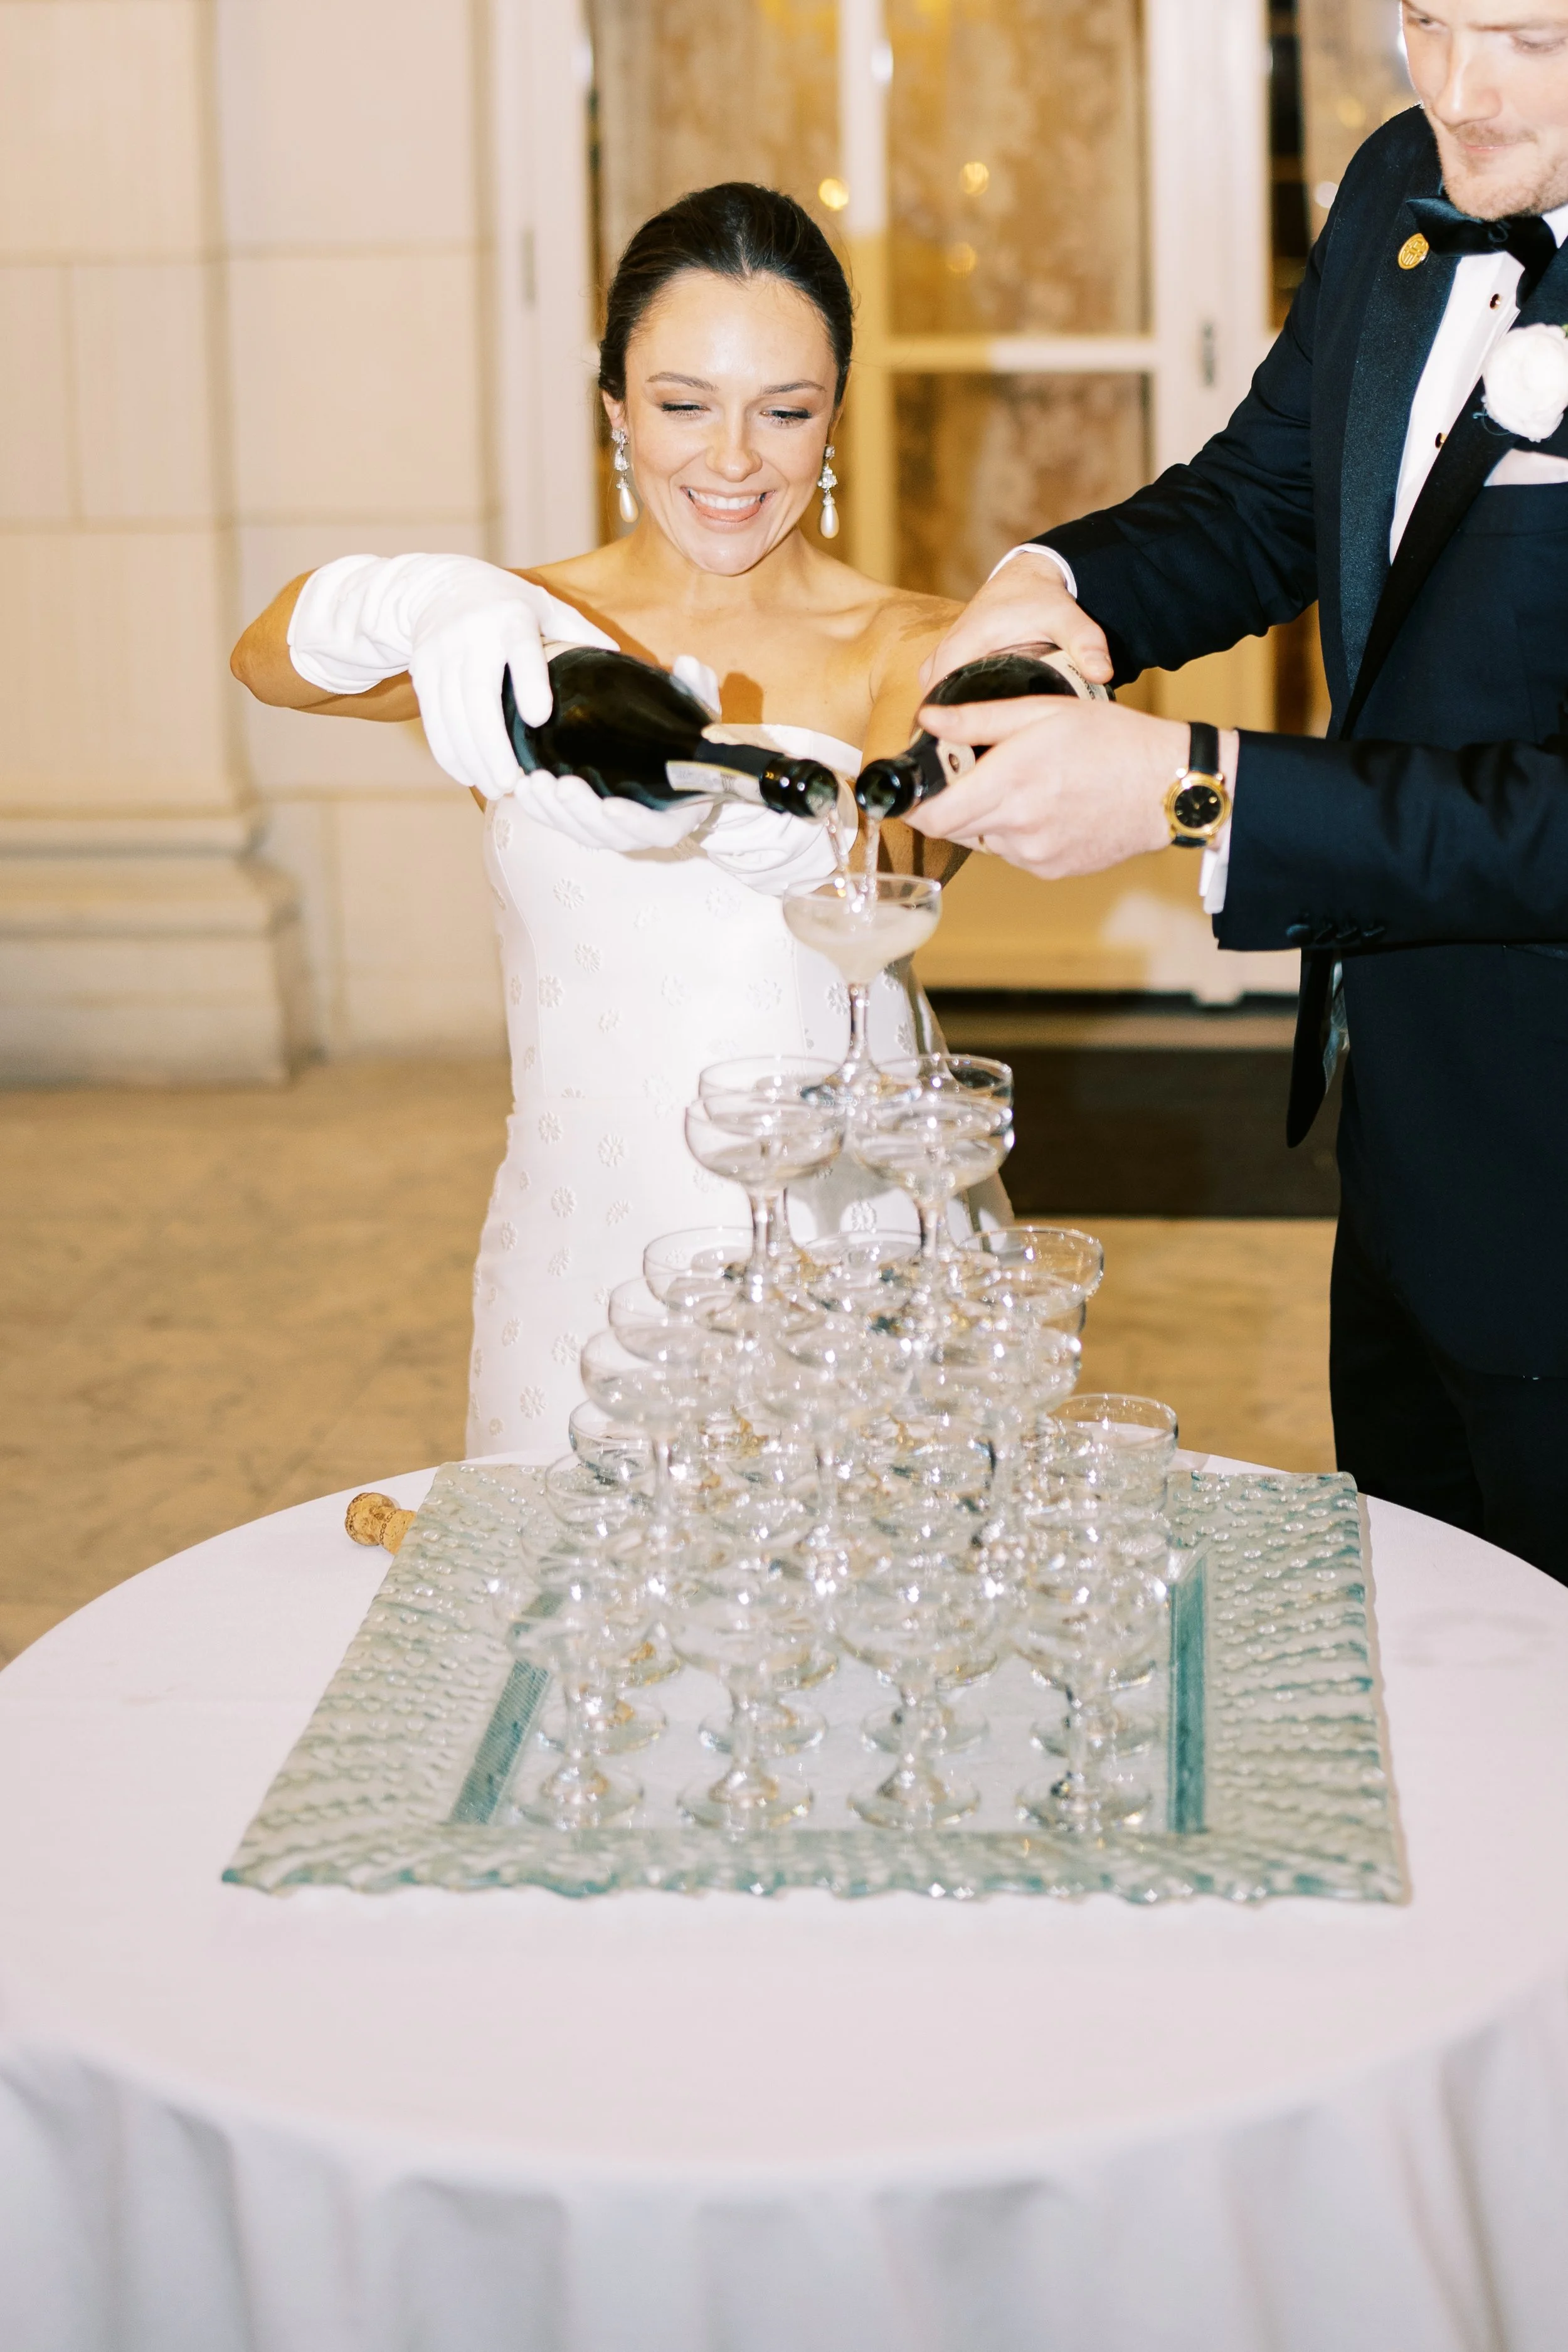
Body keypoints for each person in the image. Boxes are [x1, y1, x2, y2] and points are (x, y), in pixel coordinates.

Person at [902, 0, 1568, 1581]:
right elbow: (1270, 494)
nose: (1454, 93)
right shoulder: (1395, 187)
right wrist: (1056, 590)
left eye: (1525, 35)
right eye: (1422, 18)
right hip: (1411, 1138)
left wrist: (1198, 790)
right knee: (1427, 1640)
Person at [232, 183, 992, 1458]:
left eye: (783, 412)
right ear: (614, 413)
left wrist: (787, 830)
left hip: (840, 1258)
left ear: (833, 424)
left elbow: (910, 856)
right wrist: (424, 598)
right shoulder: (519, 638)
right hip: (575, 1255)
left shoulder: (905, 641)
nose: (732, 459)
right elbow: (268, 659)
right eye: (682, 404)